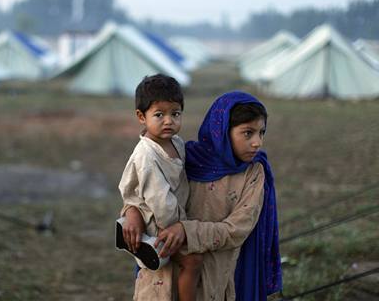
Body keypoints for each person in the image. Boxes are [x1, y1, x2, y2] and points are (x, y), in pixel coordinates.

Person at [124, 91, 282, 300]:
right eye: (247, 133)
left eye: (261, 133)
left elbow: (237, 229)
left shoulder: (253, 173)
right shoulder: (187, 158)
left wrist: (186, 231)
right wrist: (131, 211)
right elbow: (145, 189)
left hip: (214, 277)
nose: (257, 142)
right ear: (223, 131)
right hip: (163, 271)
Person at [118, 74, 203, 301]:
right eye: (159, 114)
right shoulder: (146, 154)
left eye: (175, 114)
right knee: (192, 261)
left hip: (175, 218)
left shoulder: (176, 142)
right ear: (141, 116)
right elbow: (160, 200)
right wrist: (181, 227)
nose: (169, 121)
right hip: (160, 224)